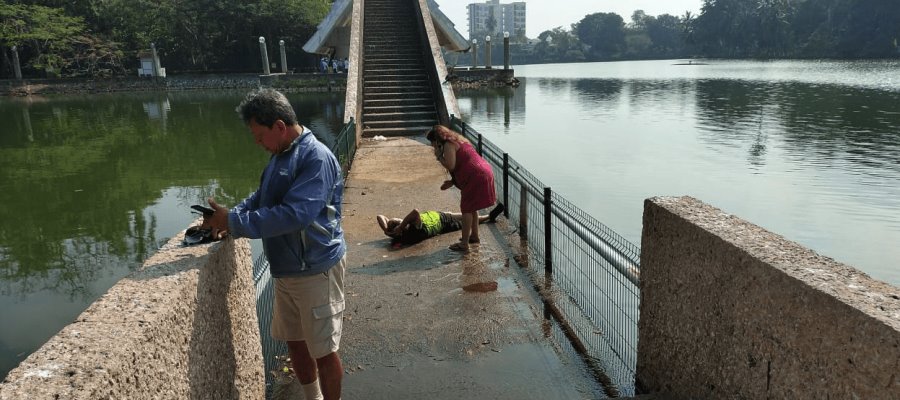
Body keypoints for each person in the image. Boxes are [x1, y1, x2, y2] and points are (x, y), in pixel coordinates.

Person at [201, 88, 346, 400]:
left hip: (315, 269)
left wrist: (234, 222)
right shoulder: (281, 155)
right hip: (287, 269)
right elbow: (262, 198)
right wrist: (231, 216)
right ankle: (313, 397)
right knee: (294, 341)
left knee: (324, 350)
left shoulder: (315, 158)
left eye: (259, 135)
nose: (257, 143)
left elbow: (295, 215)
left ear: (279, 127)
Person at [426, 124, 498, 252]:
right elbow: (464, 162)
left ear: (437, 140)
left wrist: (438, 155)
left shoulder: (448, 144)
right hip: (483, 171)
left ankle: (464, 243)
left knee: (466, 209)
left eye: (432, 142)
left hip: (475, 175)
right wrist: (453, 181)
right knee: (472, 207)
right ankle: (474, 236)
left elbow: (451, 165)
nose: (432, 145)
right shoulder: (460, 140)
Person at [377, 205, 504, 247]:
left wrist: (386, 231)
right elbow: (415, 211)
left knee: (466, 215)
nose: (400, 219)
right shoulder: (413, 229)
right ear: (401, 228)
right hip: (444, 223)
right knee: (467, 219)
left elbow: (380, 216)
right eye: (399, 221)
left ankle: (487, 216)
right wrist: (400, 226)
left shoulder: (400, 230)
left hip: (440, 215)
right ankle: (488, 217)